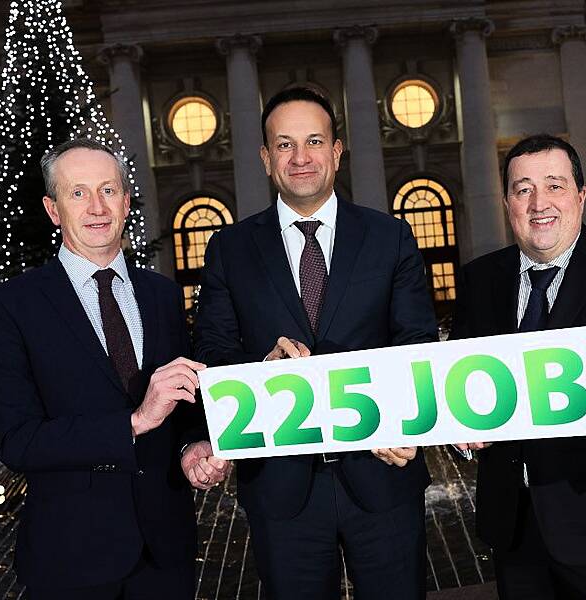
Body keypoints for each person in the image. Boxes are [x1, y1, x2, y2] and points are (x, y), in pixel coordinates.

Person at [185, 87, 439, 600]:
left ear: (337, 151)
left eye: (314, 141)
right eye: (284, 144)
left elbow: (415, 341)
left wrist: (408, 421)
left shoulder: (390, 237)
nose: (300, 158)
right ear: (265, 158)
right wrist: (262, 372)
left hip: (383, 474)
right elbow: (211, 351)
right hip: (281, 489)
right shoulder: (230, 249)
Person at [0, 138, 207, 599]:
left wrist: (193, 444)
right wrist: (134, 422)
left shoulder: (162, 295)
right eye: (78, 192)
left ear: (126, 202)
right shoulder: (14, 306)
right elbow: (17, 441)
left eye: (108, 190)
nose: (97, 206)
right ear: (53, 209)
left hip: (167, 553)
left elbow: (181, 406)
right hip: (72, 558)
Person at [450, 134, 586, 600]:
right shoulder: (479, 280)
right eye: (522, 189)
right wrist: (463, 433)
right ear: (507, 201)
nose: (538, 203)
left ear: (581, 195)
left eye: (554, 185)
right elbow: (462, 392)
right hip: (514, 530)